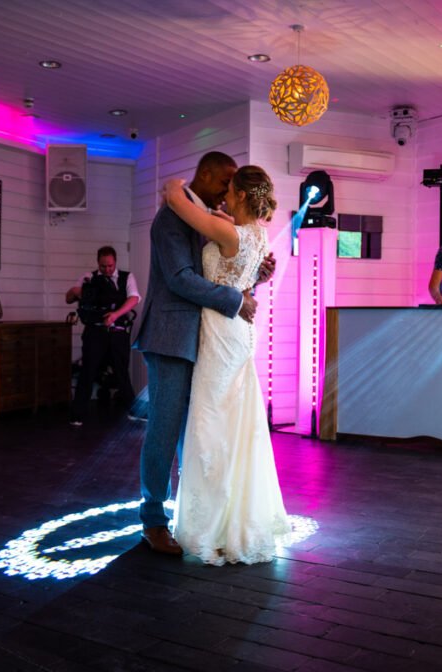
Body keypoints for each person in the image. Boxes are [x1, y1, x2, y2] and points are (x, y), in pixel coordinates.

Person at [133, 151, 272, 556]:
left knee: (195, 433)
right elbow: (180, 278)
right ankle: (153, 520)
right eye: (224, 182)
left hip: (208, 340)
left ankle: (192, 516)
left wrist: (252, 275)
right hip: (171, 335)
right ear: (206, 174)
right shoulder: (170, 218)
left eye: (233, 186)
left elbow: (220, 271)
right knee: (164, 428)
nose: (226, 192)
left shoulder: (213, 219)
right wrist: (235, 299)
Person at [160, 165, 290, 565]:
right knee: (234, 426)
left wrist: (172, 184)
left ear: (242, 196)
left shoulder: (229, 233)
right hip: (236, 333)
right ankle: (234, 522)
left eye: (230, 190)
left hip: (221, 333)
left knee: (210, 424)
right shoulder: (256, 233)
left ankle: (214, 529)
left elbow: (178, 204)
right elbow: (244, 280)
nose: (225, 196)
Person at [66, 246, 140, 426]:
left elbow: (134, 298)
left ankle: (132, 410)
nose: (107, 269)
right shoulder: (89, 278)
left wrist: (116, 314)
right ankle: (77, 415)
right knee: (88, 371)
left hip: (117, 332)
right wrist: (76, 291)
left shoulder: (126, 277)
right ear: (97, 263)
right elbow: (69, 298)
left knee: (122, 372)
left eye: (110, 266)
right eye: (103, 266)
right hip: (95, 332)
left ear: (115, 262)